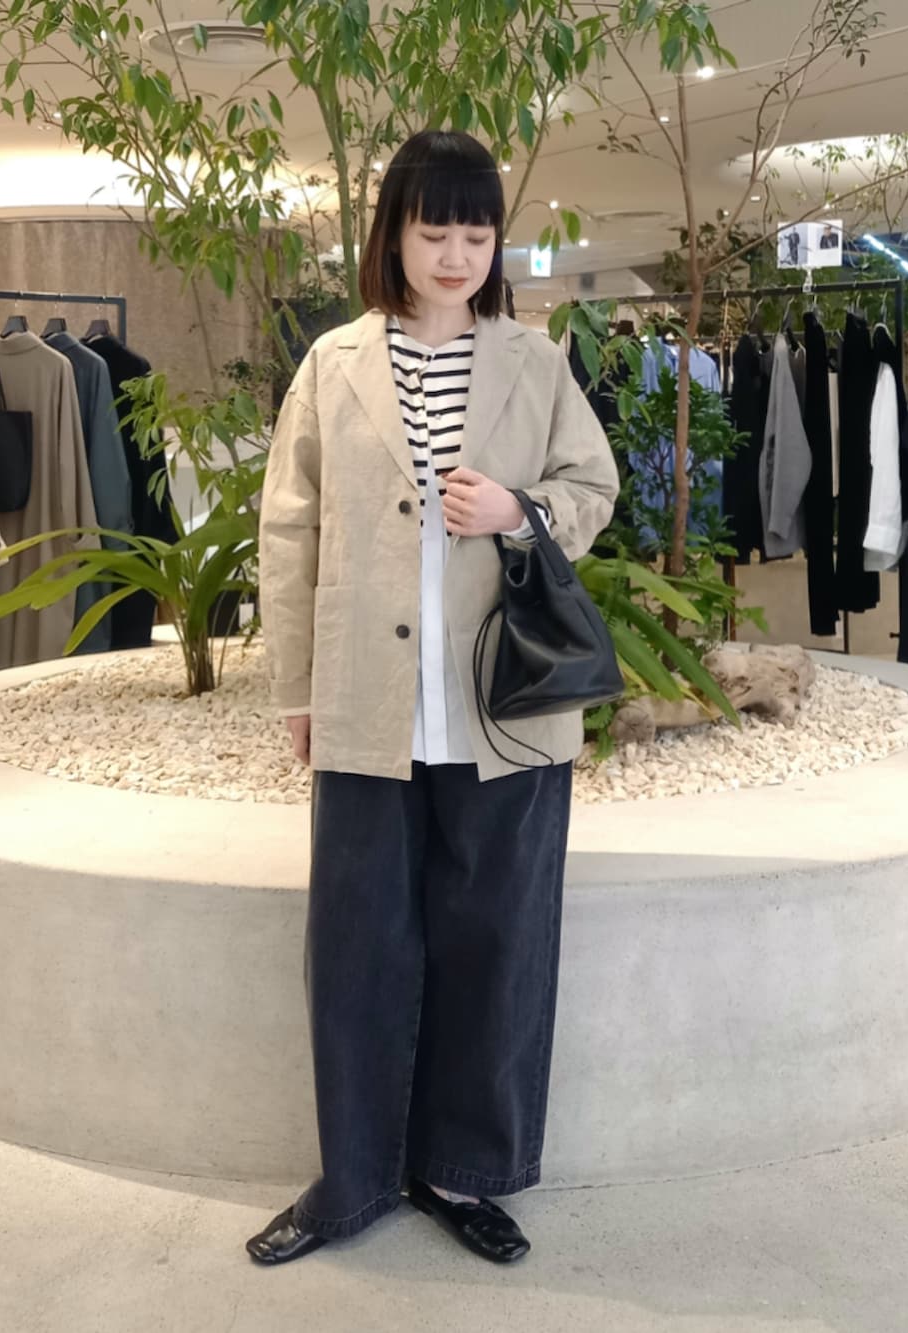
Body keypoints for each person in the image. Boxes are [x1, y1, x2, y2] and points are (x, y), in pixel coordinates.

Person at [247, 130, 619, 1268]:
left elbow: (592, 485)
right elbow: (289, 531)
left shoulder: (535, 360)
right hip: (368, 701)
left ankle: (465, 1171)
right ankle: (354, 1177)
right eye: (434, 229)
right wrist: (296, 689)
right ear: (393, 234)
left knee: (496, 939)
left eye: (476, 231)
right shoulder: (333, 364)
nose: (456, 254)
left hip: (503, 708)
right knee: (357, 945)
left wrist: (518, 510)